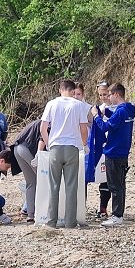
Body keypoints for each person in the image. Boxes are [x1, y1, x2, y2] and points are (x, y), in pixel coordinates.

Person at [40, 79, 89, 228]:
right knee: (71, 186)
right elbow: (83, 128)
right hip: (72, 147)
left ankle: (51, 221)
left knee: (54, 185)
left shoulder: (52, 104)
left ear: (60, 90)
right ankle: (70, 222)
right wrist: (84, 144)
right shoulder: (79, 105)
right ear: (74, 91)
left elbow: (43, 128)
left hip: (55, 146)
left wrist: (49, 143)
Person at [93, 83, 135, 227]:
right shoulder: (128, 109)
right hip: (123, 152)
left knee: (115, 185)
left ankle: (117, 216)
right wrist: (106, 114)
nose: (108, 97)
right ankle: (119, 214)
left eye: (110, 94)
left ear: (116, 94)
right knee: (120, 184)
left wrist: (96, 117)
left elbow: (107, 126)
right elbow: (117, 121)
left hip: (114, 151)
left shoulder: (121, 111)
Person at [87, 81, 113, 219]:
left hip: (114, 146)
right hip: (102, 147)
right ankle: (102, 209)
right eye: (101, 95)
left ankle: (113, 209)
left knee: (113, 180)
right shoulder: (99, 108)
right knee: (103, 177)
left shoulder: (117, 108)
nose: (103, 97)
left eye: (106, 94)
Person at [11, 119, 45, 223]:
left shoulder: (38, 121)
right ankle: (44, 212)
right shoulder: (47, 122)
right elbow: (42, 138)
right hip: (27, 150)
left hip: (17, 149)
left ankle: (30, 214)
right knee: (43, 179)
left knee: (31, 182)